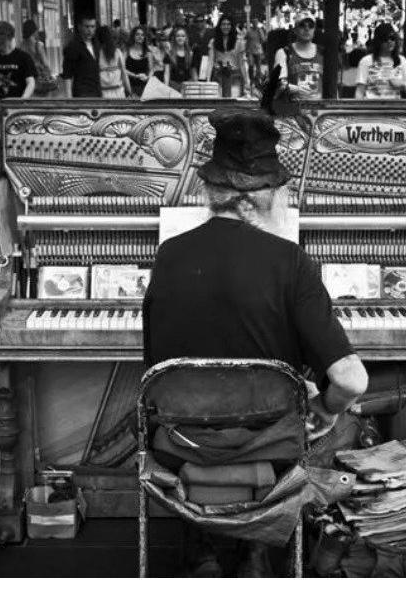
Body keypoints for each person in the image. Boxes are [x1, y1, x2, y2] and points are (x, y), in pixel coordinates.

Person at [143, 109, 369, 577]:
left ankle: (202, 542)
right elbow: (351, 379)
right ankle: (260, 540)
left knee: (209, 419)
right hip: (270, 444)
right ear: (251, 202)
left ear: (214, 192)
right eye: (277, 193)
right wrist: (325, 409)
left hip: (178, 441)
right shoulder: (289, 261)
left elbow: (157, 364)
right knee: (346, 423)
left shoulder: (169, 255)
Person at [354, 22, 406, 99]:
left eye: (392, 38)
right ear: (378, 41)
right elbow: (360, 91)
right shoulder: (366, 61)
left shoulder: (401, 60)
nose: (390, 41)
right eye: (385, 39)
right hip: (370, 108)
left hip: (395, 109)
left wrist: (402, 84)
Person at [0, 21, 37, 105]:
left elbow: (30, 83)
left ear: (8, 37)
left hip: (18, 107)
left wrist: (21, 101)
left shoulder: (23, 58)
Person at [273, 17, 324, 100]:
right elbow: (278, 83)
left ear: (314, 30)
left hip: (320, 110)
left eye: (310, 26)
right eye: (302, 25)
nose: (307, 29)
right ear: (295, 30)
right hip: (293, 110)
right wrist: (298, 89)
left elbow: (331, 84)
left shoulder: (323, 53)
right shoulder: (284, 53)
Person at [206, 14, 248, 97]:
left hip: (235, 76)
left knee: (234, 104)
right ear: (219, 26)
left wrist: (247, 81)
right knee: (219, 105)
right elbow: (210, 61)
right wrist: (207, 81)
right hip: (218, 77)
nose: (226, 26)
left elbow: (242, 63)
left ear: (232, 26)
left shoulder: (239, 42)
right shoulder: (213, 42)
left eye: (228, 24)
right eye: (223, 24)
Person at [61, 14, 101, 98]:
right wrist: (69, 99)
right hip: (82, 94)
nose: (90, 30)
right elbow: (67, 75)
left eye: (92, 27)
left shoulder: (97, 44)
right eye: (87, 26)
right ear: (80, 27)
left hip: (98, 92)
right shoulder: (73, 47)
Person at [20, 20, 57, 97]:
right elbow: (45, 64)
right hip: (39, 81)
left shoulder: (20, 46)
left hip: (26, 81)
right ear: (34, 31)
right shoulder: (38, 45)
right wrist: (50, 75)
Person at [96, 25, 130, 99]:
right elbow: (124, 74)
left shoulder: (96, 54)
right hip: (119, 92)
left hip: (103, 93)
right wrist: (129, 91)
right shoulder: (117, 52)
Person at [163, 26, 196, 90]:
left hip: (188, 86)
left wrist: (195, 87)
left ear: (186, 38)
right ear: (174, 38)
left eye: (183, 36)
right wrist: (165, 87)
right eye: (178, 36)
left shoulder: (191, 54)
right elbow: (166, 73)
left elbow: (194, 73)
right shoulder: (169, 53)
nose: (180, 38)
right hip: (173, 86)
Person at [124, 26, 151, 98]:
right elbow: (122, 68)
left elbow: (151, 69)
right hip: (129, 86)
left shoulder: (148, 53)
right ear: (133, 36)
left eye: (142, 35)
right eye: (137, 34)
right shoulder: (126, 50)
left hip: (144, 87)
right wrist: (135, 75)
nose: (140, 36)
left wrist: (147, 77)